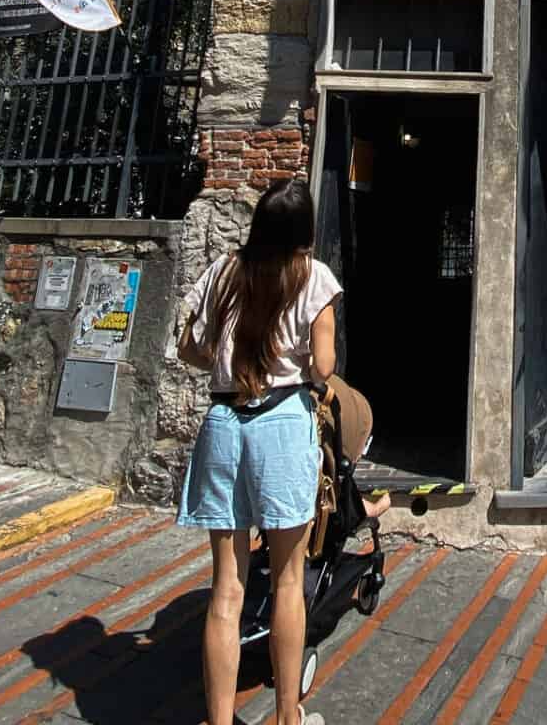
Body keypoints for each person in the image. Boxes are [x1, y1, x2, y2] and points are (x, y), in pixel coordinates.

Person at [174, 177, 341, 725]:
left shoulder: (224, 270)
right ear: (304, 231)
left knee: (227, 588)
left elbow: (189, 346)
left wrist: (229, 367)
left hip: (223, 422)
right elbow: (321, 367)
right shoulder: (313, 277)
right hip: (280, 425)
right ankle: (286, 716)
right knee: (289, 579)